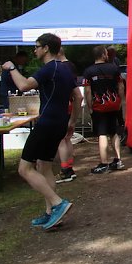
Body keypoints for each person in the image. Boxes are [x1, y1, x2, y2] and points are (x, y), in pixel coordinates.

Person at [2, 33, 75, 230]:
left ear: (46, 48)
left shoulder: (49, 69)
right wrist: (72, 120)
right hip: (59, 122)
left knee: (24, 169)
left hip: (47, 123)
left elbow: (24, 85)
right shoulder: (67, 69)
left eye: (37, 46)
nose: (35, 50)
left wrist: (11, 68)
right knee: (45, 166)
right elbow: (77, 96)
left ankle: (58, 203)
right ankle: (51, 213)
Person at [82, 45, 125, 174]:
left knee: (102, 134)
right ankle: (118, 160)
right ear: (103, 55)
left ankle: (104, 163)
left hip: (99, 106)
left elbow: (87, 91)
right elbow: (121, 86)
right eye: (106, 53)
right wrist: (121, 101)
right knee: (113, 132)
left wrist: (89, 107)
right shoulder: (114, 69)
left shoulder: (88, 71)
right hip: (113, 104)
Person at [55, 48, 83, 183]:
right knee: (67, 138)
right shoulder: (71, 65)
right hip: (70, 104)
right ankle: (69, 168)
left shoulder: (61, 67)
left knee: (61, 140)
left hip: (64, 105)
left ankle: (65, 170)